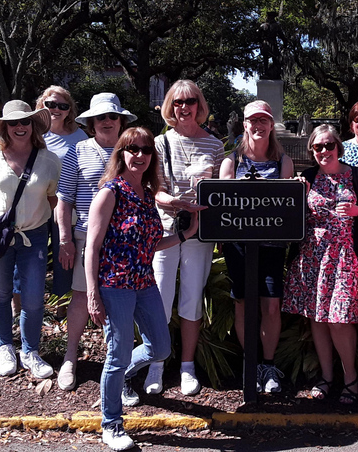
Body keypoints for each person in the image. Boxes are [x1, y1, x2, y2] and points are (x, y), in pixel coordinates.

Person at [84, 127, 201, 451]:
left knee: (160, 348)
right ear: (121, 153)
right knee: (117, 354)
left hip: (144, 283)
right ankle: (111, 424)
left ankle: (119, 376)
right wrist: (93, 294)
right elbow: (91, 248)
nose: (139, 155)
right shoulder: (110, 192)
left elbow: (149, 244)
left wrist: (184, 235)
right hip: (114, 286)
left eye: (146, 150)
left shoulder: (147, 194)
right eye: (132, 148)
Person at [282, 125, 358, 405]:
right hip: (312, 257)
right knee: (318, 318)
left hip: (345, 257)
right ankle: (326, 377)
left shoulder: (356, 176)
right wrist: (299, 192)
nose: (324, 151)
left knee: (339, 320)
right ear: (312, 151)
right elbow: (291, 215)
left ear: (338, 146)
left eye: (328, 145)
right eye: (317, 147)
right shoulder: (308, 177)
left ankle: (351, 379)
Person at [0, 101, 61, 378]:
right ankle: (4, 347)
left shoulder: (48, 160)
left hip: (33, 235)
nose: (20, 127)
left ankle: (30, 351)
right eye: (13, 123)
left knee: (33, 298)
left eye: (25, 122)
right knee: (0, 293)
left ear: (33, 126)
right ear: (4, 128)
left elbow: (53, 198)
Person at [147, 79, 225, 396]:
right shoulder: (159, 143)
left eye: (190, 100)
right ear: (170, 106)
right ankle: (156, 365)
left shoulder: (215, 146)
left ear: (199, 105)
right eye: (178, 102)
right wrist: (175, 204)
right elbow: (153, 189)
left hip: (200, 233)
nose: (184, 107)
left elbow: (222, 190)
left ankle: (187, 367)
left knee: (192, 300)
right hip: (166, 230)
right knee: (161, 301)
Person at [55, 93, 137, 391]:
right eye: (101, 117)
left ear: (121, 121)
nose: (107, 121)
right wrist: (65, 239)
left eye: (112, 116)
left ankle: (117, 367)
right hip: (85, 236)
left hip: (124, 241)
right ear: (91, 122)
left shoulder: (133, 152)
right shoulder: (77, 152)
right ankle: (70, 357)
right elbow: (63, 201)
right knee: (81, 296)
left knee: (120, 303)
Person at [219, 101, 294, 393]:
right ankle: (250, 363)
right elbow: (223, 206)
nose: (258, 126)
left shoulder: (283, 162)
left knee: (271, 305)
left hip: (273, 246)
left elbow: (288, 208)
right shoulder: (231, 163)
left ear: (271, 125)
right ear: (245, 124)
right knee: (242, 303)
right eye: (253, 121)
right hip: (239, 247)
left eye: (264, 120)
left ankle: (267, 364)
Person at [37, 86, 88, 312]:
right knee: (32, 257)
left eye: (62, 106)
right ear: (42, 106)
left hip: (66, 207)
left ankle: (61, 306)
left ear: (69, 110)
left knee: (64, 257)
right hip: (35, 205)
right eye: (51, 104)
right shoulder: (33, 133)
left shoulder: (80, 136)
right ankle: (21, 308)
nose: (56, 109)